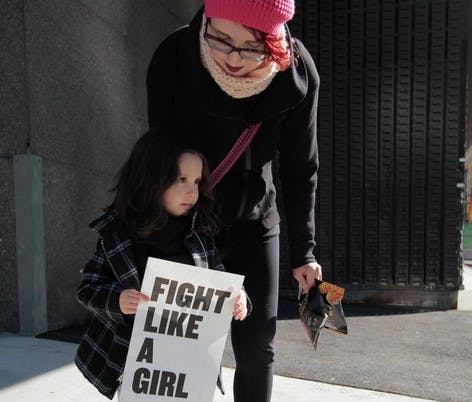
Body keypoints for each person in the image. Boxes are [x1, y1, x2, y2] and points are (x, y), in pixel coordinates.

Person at [146, 1, 322, 400]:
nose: (232, 57)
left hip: (255, 221)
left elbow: (300, 169)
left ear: (275, 38)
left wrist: (304, 252)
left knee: (258, 346)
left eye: (252, 46)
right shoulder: (174, 59)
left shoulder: (296, 74)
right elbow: (159, 163)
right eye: (222, 38)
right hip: (188, 224)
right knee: (180, 351)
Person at [74, 129, 249, 400]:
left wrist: (238, 297)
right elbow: (88, 288)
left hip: (188, 360)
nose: (192, 191)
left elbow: (218, 276)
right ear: (151, 180)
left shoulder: (199, 233)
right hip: (136, 362)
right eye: (181, 179)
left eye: (197, 181)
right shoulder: (118, 236)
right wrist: (118, 300)